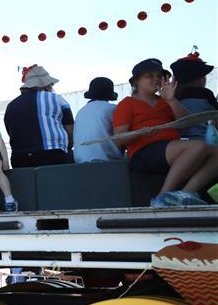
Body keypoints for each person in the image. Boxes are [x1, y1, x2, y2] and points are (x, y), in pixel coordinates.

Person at [113, 58, 217, 206]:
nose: (156, 79)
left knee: (216, 152)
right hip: (142, 152)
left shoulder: (165, 101)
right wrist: (141, 132)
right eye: (149, 76)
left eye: (159, 76)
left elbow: (188, 123)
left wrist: (171, 100)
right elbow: (118, 138)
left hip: (170, 147)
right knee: (197, 146)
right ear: (136, 82)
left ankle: (186, 193)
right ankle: (162, 197)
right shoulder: (126, 104)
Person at [4, 65, 74, 168]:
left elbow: (11, 132)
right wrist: (69, 147)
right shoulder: (57, 99)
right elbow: (70, 127)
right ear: (47, 84)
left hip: (19, 158)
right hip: (53, 155)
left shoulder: (11, 105)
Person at [73, 77, 123, 163]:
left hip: (80, 161)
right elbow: (123, 135)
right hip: (108, 161)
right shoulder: (113, 109)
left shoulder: (81, 112)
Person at [170, 51, 217, 141]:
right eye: (204, 76)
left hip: (179, 144)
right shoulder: (205, 94)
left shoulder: (171, 97)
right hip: (206, 142)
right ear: (199, 79)